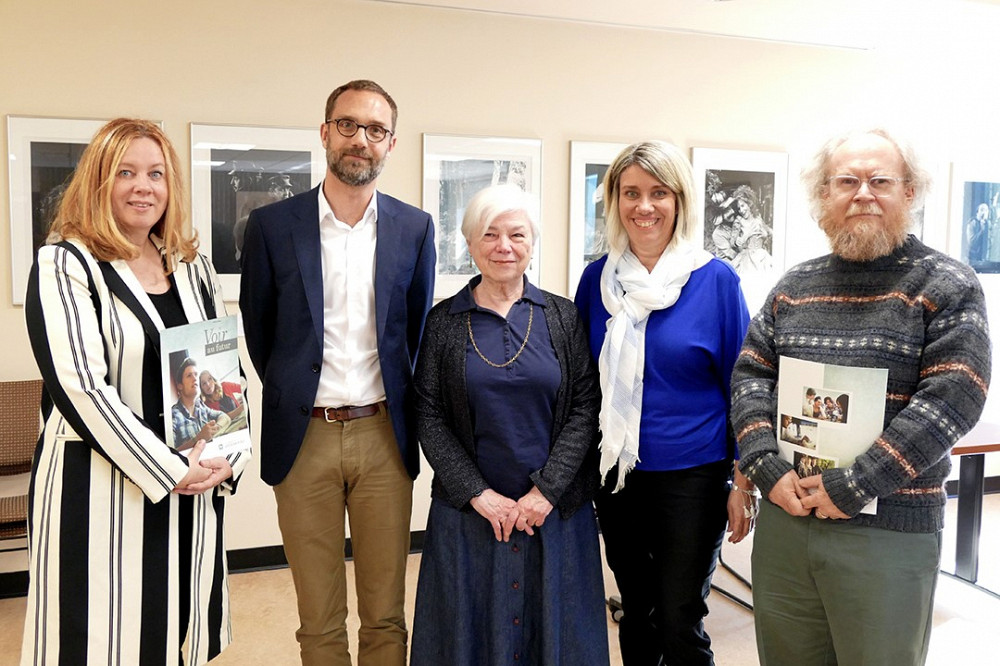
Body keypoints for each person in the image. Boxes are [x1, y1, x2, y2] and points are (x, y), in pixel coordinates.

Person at [731, 128, 991, 666]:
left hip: (888, 532)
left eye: (880, 181)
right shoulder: (793, 285)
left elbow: (953, 396)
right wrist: (763, 467)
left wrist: (855, 483)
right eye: (846, 181)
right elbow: (751, 377)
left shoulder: (946, 284)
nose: (863, 193)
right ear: (824, 195)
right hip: (787, 517)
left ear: (910, 193)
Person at [22, 118, 248, 665]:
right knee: (99, 639)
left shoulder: (192, 266)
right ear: (98, 181)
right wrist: (172, 470)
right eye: (125, 172)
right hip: (99, 489)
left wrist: (227, 455)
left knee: (176, 632)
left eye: (155, 173)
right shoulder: (67, 262)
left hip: (194, 489)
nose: (142, 186)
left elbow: (223, 373)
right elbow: (79, 386)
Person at [240, 79, 435, 666]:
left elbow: (415, 329)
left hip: (383, 436)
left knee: (385, 614)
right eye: (348, 125)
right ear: (325, 133)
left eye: (375, 130)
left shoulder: (414, 228)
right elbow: (260, 332)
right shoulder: (274, 227)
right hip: (305, 440)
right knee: (318, 619)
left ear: (391, 143)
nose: (361, 140)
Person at [410, 185, 608, 665]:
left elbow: (586, 405)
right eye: (490, 234)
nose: (504, 246)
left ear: (532, 242)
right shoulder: (443, 322)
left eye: (516, 234)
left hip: (554, 513)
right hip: (470, 516)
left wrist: (547, 490)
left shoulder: (562, 316)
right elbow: (428, 414)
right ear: (472, 244)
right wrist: (477, 493)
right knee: (467, 637)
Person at [574, 141, 753, 665]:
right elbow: (584, 381)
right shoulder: (597, 280)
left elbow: (743, 388)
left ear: (680, 201)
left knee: (679, 616)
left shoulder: (714, 281)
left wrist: (743, 482)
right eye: (631, 193)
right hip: (618, 476)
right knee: (637, 610)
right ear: (614, 200)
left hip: (693, 477)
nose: (644, 206)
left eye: (658, 193)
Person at [171, 356, 230, 451]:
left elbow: (224, 416)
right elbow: (170, 455)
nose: (195, 378)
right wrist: (198, 439)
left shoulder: (200, 406)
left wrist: (216, 429)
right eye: (189, 375)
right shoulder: (173, 416)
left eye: (196, 374)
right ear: (180, 386)